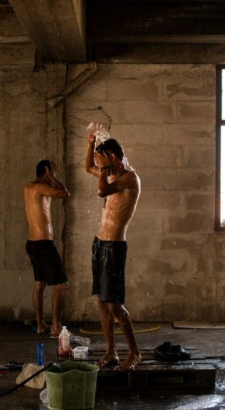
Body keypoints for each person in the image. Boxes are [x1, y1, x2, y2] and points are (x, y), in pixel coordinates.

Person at [85, 124, 142, 371]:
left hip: (114, 247)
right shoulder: (109, 174)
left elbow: (101, 191)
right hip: (99, 243)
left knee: (114, 305)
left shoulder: (129, 178)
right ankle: (111, 351)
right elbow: (88, 167)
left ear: (114, 158)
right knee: (101, 302)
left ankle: (134, 352)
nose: (100, 166)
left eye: (104, 161)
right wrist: (90, 144)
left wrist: (103, 171)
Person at [24, 159, 70, 336]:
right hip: (43, 244)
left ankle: (40, 324)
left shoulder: (29, 187)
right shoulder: (41, 188)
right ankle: (56, 326)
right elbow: (65, 193)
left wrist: (50, 178)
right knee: (61, 285)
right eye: (54, 172)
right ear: (47, 172)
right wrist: (54, 180)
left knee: (40, 284)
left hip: (32, 244)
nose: (55, 175)